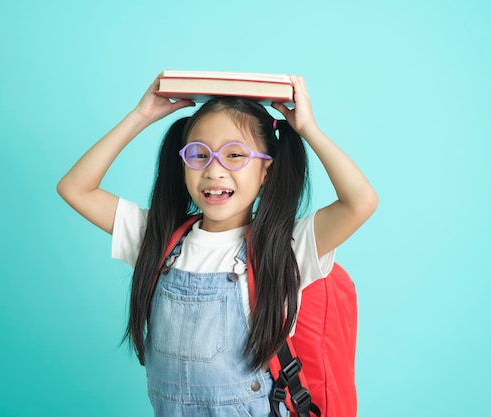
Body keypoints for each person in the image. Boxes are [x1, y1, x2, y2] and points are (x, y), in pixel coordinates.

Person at [57, 74, 378, 416]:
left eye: (235, 154)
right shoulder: (157, 240)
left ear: (266, 171)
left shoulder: (285, 249)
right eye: (198, 154)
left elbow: (360, 202)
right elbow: (76, 188)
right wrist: (141, 116)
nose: (214, 170)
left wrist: (308, 129)